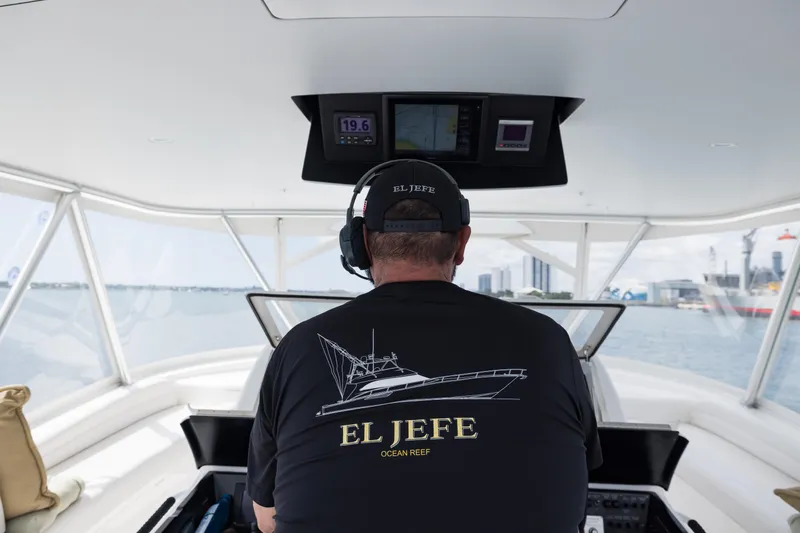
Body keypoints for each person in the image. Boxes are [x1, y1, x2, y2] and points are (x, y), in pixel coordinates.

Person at [246, 160, 602, 533]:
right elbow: (580, 477)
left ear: (362, 244)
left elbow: (267, 520)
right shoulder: (547, 340)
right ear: (461, 243)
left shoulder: (297, 348)